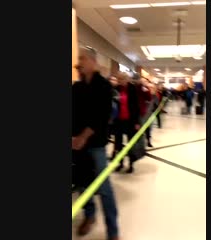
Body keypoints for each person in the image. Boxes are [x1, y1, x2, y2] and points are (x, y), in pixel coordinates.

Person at [72, 46, 119, 240]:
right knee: (83, 182)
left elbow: (101, 116)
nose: (79, 63)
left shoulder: (104, 86)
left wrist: (83, 136)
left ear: (93, 62)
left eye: (82, 59)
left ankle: (113, 230)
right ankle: (89, 215)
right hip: (78, 144)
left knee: (104, 187)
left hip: (96, 143)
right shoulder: (77, 87)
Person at [113, 72, 141, 173]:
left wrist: (137, 122)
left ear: (127, 79)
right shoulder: (116, 89)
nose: (120, 82)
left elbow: (136, 106)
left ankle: (131, 164)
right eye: (119, 79)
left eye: (122, 79)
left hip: (130, 121)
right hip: (118, 121)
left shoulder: (132, 89)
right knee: (118, 144)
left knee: (130, 144)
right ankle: (120, 163)